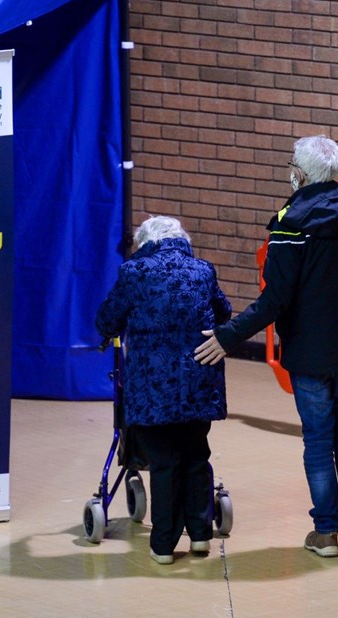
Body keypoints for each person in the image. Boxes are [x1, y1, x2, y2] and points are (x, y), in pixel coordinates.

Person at [194, 135, 338, 557]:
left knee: (318, 437)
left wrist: (228, 336)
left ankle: (325, 534)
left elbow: (275, 299)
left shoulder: (289, 225)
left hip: (307, 350)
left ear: (300, 173)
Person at [96, 215, 231, 565]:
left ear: (145, 243)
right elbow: (224, 312)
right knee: (197, 453)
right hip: (199, 380)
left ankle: (164, 544)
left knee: (165, 461)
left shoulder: (134, 273)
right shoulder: (203, 270)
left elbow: (108, 319)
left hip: (153, 385)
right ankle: (201, 536)